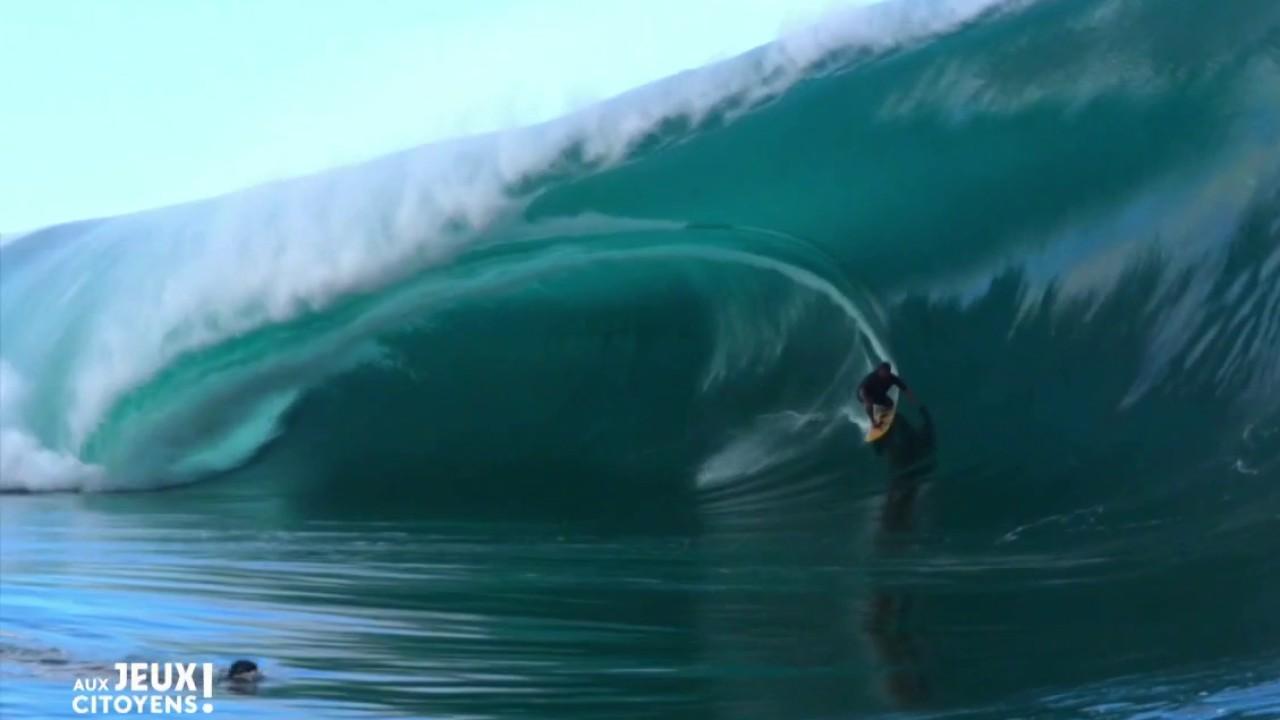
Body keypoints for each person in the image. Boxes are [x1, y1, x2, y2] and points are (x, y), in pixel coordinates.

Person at [858, 361, 919, 428]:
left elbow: (904, 388)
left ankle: (879, 412)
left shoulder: (892, 378)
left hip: (877, 394)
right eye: (882, 372)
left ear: (889, 372)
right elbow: (862, 390)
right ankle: (873, 422)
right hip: (864, 394)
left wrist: (912, 398)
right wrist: (866, 400)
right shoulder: (872, 377)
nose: (884, 374)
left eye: (886, 372)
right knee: (869, 402)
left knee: (890, 404)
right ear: (879, 370)